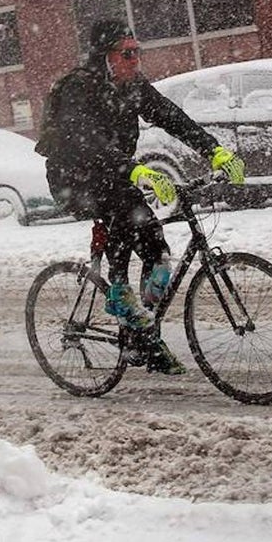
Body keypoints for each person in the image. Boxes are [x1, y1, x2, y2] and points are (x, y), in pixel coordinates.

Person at [35, 18, 245, 374]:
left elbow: (172, 118)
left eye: (137, 52)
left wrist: (214, 151)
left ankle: (140, 336)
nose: (135, 60)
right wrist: (133, 169)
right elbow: (86, 141)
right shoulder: (79, 87)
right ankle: (120, 294)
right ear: (106, 56)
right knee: (126, 209)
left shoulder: (133, 87)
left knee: (155, 248)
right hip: (76, 177)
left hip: (116, 173)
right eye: (127, 53)